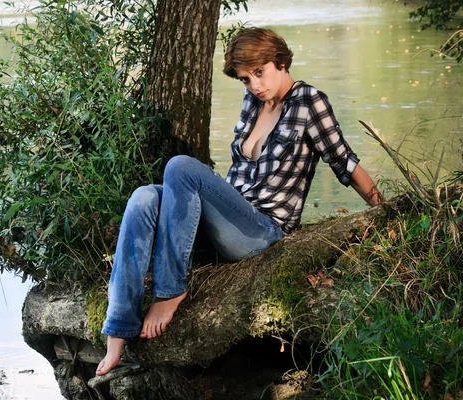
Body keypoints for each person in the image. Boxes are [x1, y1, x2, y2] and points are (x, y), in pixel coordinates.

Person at [95, 27, 383, 376]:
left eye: (259, 73)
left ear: (280, 61)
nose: (254, 85)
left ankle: (169, 292)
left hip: (261, 231)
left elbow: (345, 163)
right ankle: (118, 329)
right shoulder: (253, 103)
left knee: (180, 167)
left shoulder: (310, 102)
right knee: (143, 198)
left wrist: (384, 209)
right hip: (224, 225)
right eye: (246, 79)